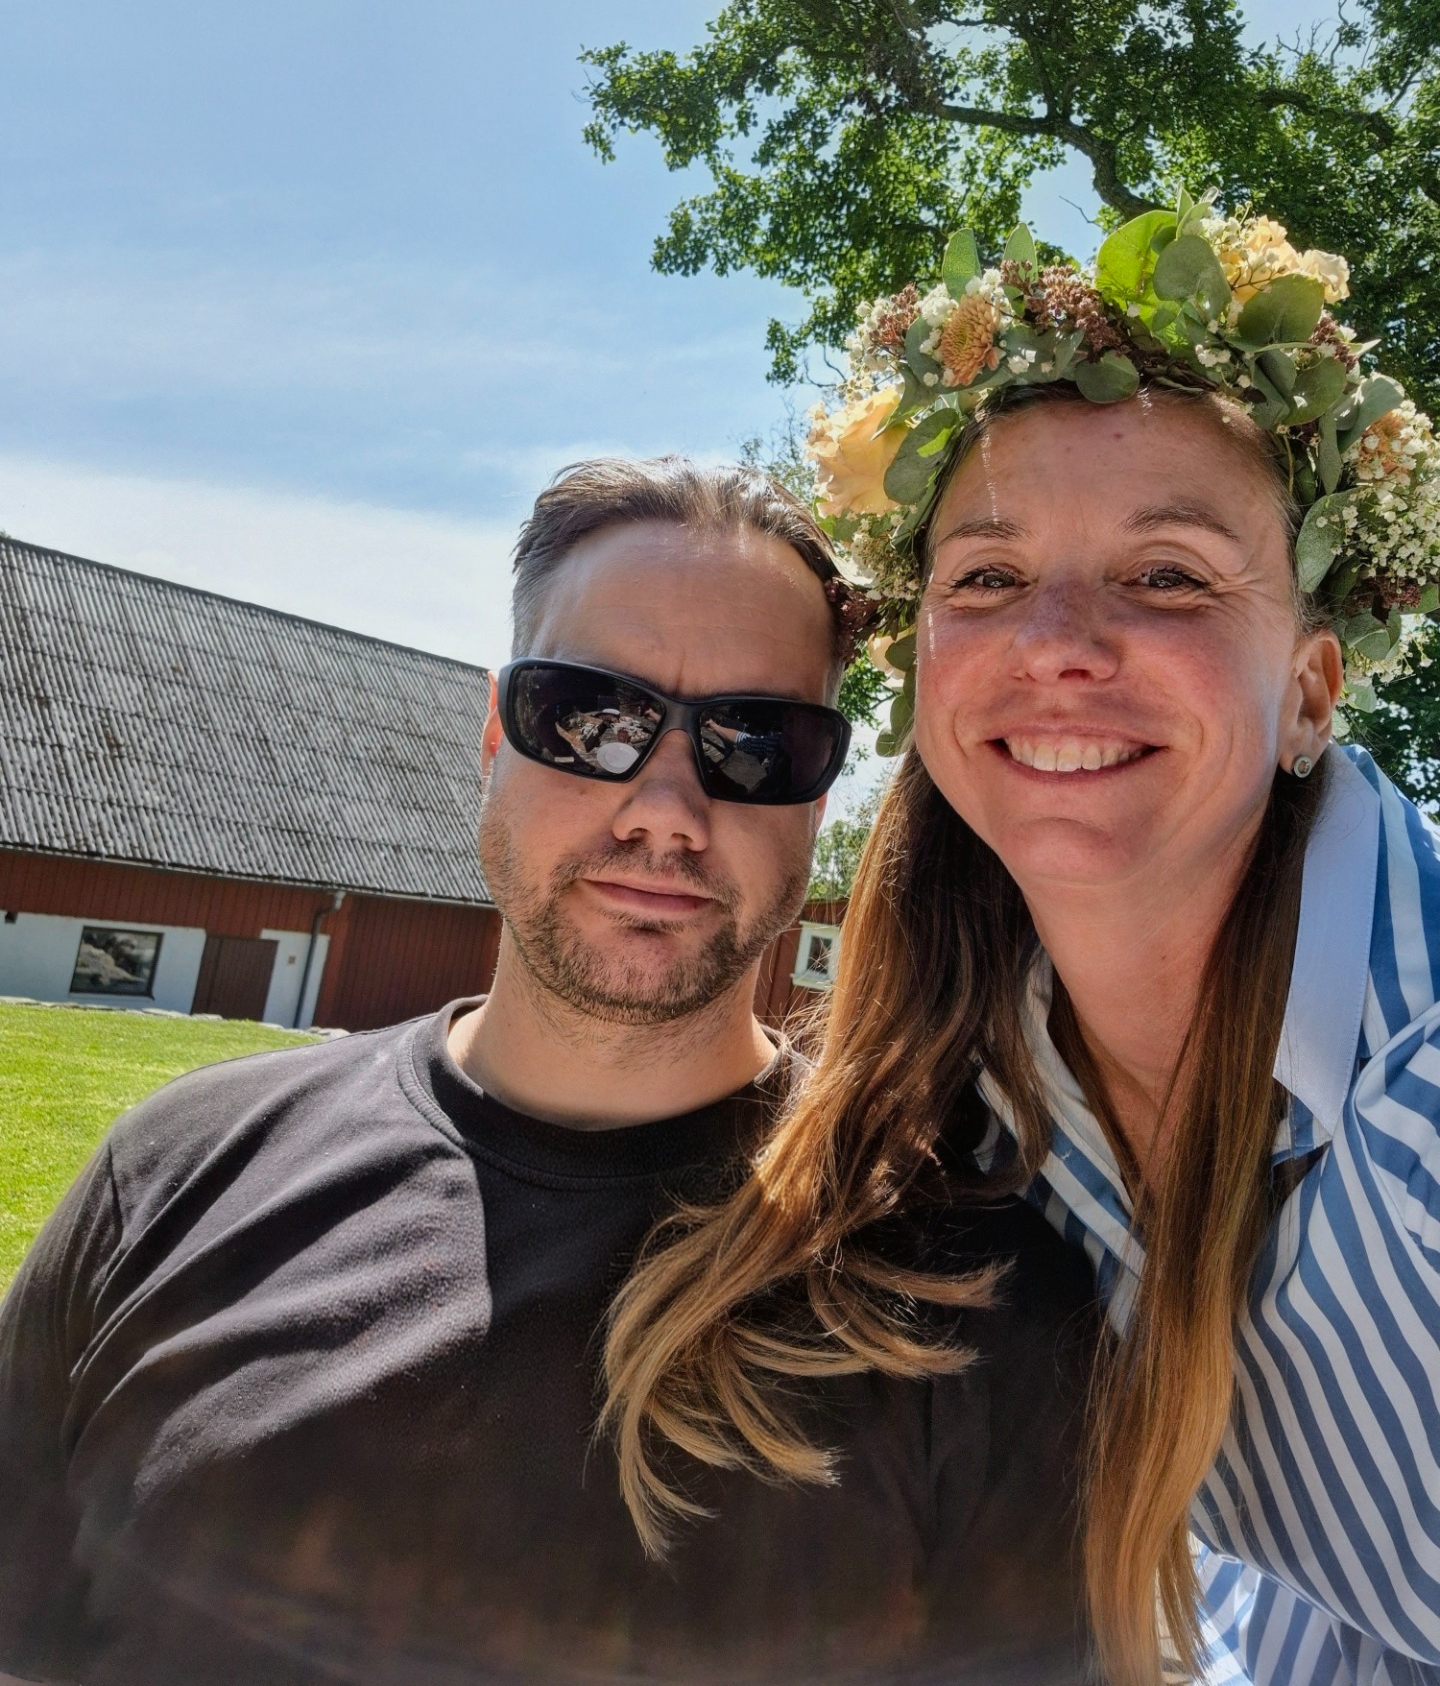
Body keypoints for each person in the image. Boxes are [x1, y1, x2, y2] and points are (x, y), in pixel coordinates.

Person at [0, 458, 1097, 1686]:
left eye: (757, 742)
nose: (665, 809)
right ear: (493, 737)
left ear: (820, 795)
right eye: (589, 718)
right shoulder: (168, 1175)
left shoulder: (976, 1302)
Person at [603, 204, 1440, 1686]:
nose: (1057, 640)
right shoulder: (968, 1076)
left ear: (1312, 694)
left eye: (1168, 574)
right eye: (986, 579)